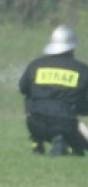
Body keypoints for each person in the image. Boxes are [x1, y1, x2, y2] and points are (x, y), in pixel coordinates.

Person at [18, 25, 88, 156]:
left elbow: (23, 89)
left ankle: (37, 141)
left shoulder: (36, 65)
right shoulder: (82, 69)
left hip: (35, 124)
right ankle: (65, 141)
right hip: (66, 124)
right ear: (72, 47)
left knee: (32, 97)